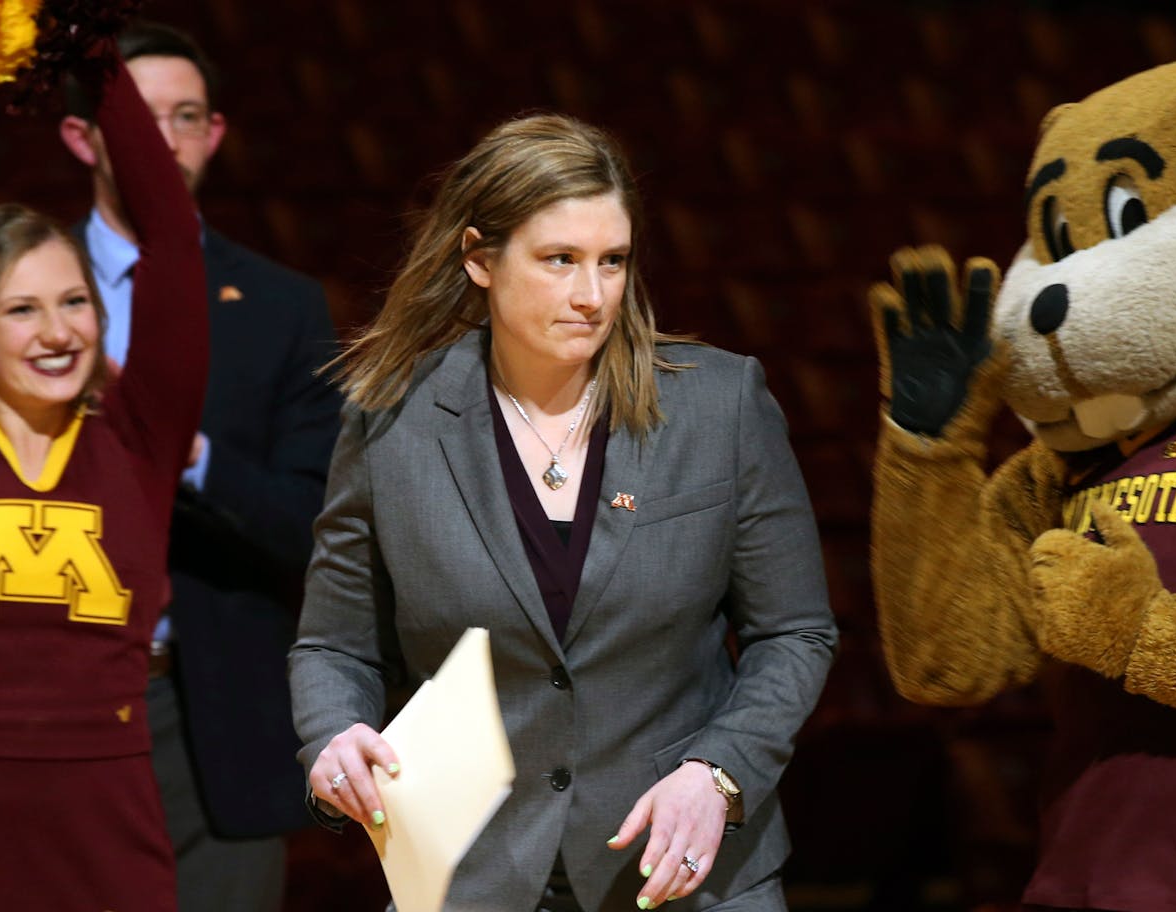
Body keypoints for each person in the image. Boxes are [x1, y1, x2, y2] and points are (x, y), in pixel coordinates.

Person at [288, 112, 839, 912]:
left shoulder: (720, 404)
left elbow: (795, 632)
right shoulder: (391, 421)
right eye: (560, 261)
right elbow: (334, 646)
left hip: (685, 874)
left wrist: (718, 773)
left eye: (612, 262)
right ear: (480, 258)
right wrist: (333, 737)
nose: (591, 296)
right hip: (472, 879)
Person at [0, 2, 205, 909]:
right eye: (22, 310)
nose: (58, 331)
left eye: (73, 301)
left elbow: (173, 239)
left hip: (103, 827)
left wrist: (94, 54)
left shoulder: (141, 440)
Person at [56, 20, 342, 911]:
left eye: (186, 118)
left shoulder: (282, 308)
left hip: (210, 714)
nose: (165, 141)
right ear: (82, 137)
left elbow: (318, 529)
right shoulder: (15, 294)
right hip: (44, 704)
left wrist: (191, 453)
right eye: (140, 119)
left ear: (213, 134)